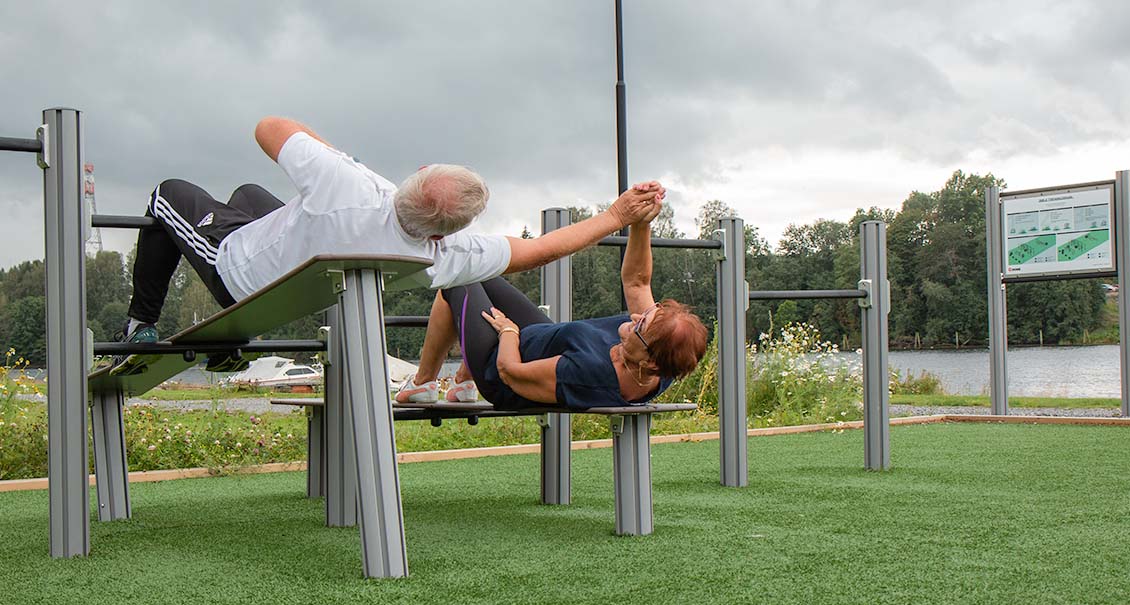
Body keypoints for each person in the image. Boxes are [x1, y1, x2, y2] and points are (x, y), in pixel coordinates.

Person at [115, 116, 664, 370]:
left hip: (235, 272)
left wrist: (336, 162)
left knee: (168, 194)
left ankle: (140, 321)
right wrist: (617, 213)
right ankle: (226, 343)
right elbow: (541, 249)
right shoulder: (445, 254)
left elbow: (267, 127)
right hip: (295, 282)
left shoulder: (346, 185)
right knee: (250, 193)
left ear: (419, 173)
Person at [395, 200, 708, 410]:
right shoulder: (658, 356)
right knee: (484, 271)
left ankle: (423, 383)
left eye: (639, 326)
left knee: (457, 275)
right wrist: (642, 222)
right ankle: (462, 382)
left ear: (651, 363)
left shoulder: (590, 373)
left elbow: (510, 372)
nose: (634, 318)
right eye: (648, 314)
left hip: (501, 365)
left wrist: (507, 332)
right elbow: (638, 281)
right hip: (541, 338)